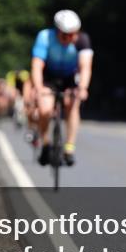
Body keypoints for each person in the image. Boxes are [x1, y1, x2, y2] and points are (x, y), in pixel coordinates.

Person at [30, 9, 93, 167]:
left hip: (70, 78)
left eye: (73, 34)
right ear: (57, 31)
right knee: (44, 110)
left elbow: (85, 67)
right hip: (49, 77)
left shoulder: (82, 40)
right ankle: (45, 143)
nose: (70, 38)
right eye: (66, 35)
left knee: (72, 104)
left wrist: (83, 88)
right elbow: (37, 65)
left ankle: (69, 147)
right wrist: (38, 87)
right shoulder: (45, 37)